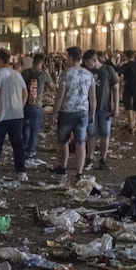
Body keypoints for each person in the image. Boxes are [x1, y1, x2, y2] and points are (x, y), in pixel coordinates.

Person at [51, 46, 95, 184]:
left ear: (70, 57)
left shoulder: (66, 74)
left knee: (63, 142)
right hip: (82, 113)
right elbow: (93, 98)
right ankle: (79, 172)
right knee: (81, 143)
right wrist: (92, 114)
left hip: (67, 112)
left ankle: (63, 167)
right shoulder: (89, 74)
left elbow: (60, 96)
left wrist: (54, 113)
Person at [0, 48, 28, 181]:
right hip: (16, 115)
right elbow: (25, 93)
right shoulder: (17, 74)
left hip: (1, 115)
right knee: (17, 144)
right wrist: (20, 106)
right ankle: (21, 171)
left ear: (1, 60)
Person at [85, 49, 119, 169]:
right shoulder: (87, 72)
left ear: (94, 60)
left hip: (105, 108)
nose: (86, 64)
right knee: (91, 134)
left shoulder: (108, 70)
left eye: (88, 62)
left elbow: (115, 88)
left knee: (105, 134)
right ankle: (89, 158)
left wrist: (116, 106)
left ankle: (103, 159)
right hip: (90, 108)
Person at [20, 53, 53, 163]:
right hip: (37, 106)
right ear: (41, 63)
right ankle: (31, 151)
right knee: (34, 130)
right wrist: (49, 73)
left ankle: (24, 147)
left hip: (24, 104)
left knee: (25, 127)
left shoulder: (24, 73)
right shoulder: (43, 75)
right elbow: (53, 87)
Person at [116, 50, 136, 134]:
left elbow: (120, 77)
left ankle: (131, 127)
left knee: (129, 108)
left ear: (126, 56)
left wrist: (120, 85)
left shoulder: (125, 66)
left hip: (128, 89)